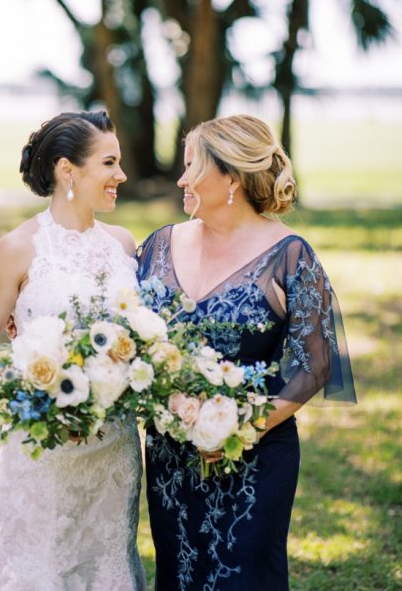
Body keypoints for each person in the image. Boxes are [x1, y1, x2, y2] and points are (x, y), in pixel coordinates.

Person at [136, 115, 356, 591]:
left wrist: (234, 431)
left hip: (255, 456)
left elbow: (313, 367)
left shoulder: (289, 255)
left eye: (191, 165)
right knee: (179, 571)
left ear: (231, 177)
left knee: (245, 575)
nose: (180, 178)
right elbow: (123, 331)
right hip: (171, 457)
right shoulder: (157, 246)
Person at [0, 110, 147, 590]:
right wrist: (45, 410)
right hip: (45, 450)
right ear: (69, 170)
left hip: (115, 451)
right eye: (109, 163)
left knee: (109, 563)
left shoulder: (124, 246)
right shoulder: (17, 250)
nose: (121, 176)